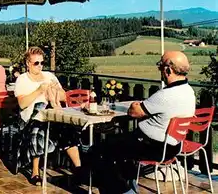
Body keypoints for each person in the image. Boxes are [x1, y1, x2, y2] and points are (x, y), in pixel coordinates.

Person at [90, 51, 196, 194]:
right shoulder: (189, 92)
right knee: (118, 145)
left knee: (99, 151)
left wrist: (137, 106)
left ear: (168, 70)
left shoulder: (166, 95)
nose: (159, 69)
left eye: (160, 65)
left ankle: (125, 191)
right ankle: (128, 183)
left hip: (153, 147)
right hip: (173, 145)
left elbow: (134, 112)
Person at [14, 46, 82, 186]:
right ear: (28, 63)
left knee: (67, 130)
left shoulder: (49, 76)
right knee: (39, 130)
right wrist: (39, 90)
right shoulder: (22, 79)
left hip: (52, 113)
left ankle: (78, 169)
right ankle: (35, 171)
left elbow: (64, 97)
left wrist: (56, 89)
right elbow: (22, 104)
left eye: (42, 63)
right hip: (31, 117)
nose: (39, 66)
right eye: (36, 63)